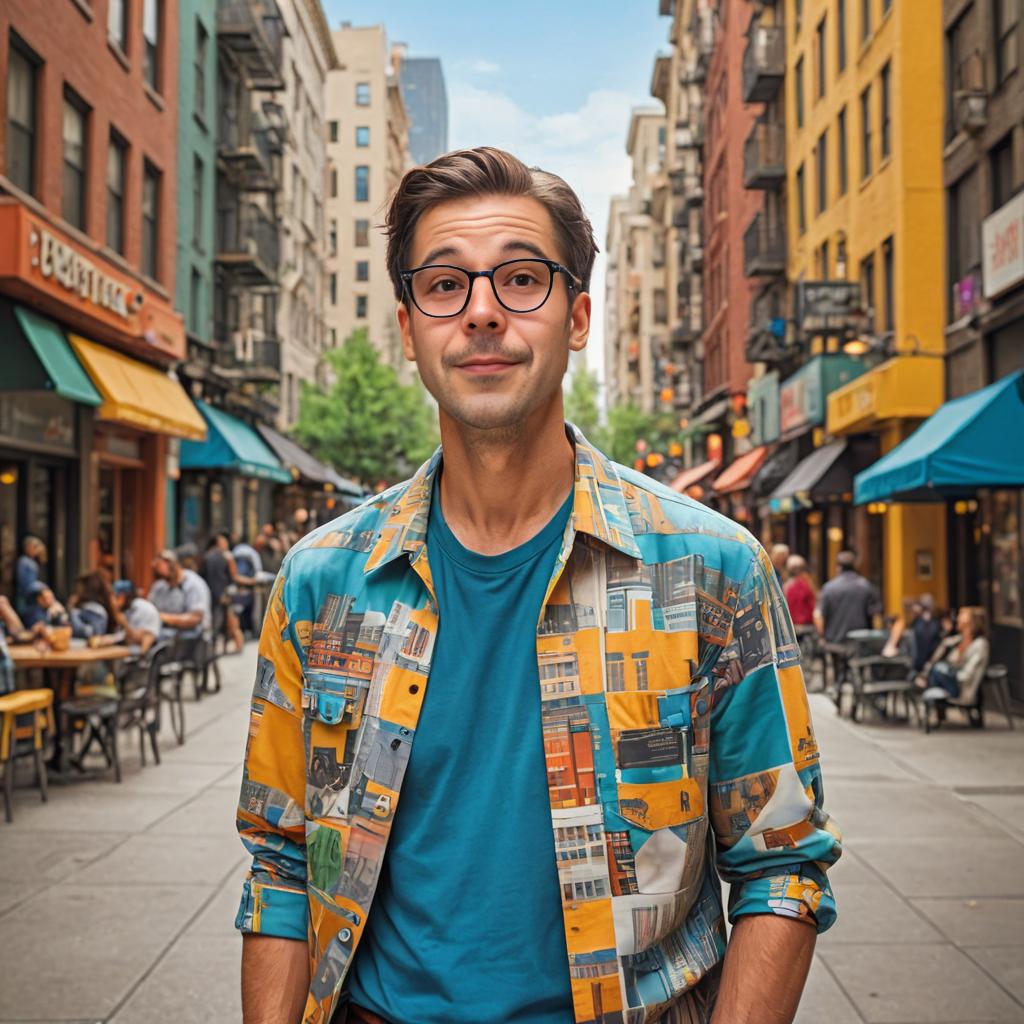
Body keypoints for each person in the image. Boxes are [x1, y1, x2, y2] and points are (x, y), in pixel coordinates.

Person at [236, 147, 841, 1024]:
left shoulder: (710, 568)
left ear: (579, 315)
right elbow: (283, 866)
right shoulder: (320, 582)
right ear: (407, 329)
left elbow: (781, 863)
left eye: (521, 279)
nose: (482, 313)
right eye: (444, 286)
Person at [917, 606, 990, 716]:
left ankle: (931, 702)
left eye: (962, 615)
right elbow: (945, 658)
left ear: (971, 621)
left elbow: (968, 673)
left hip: (960, 684)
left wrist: (951, 672)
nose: (957, 618)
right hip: (950, 679)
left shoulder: (980, 644)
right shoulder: (957, 640)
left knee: (938, 668)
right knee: (936, 668)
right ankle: (933, 701)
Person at [814, 549, 882, 645]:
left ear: (838, 567)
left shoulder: (828, 588)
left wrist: (822, 637)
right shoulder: (867, 586)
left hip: (834, 644)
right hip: (860, 644)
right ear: (855, 566)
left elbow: (818, 616)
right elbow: (876, 617)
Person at [201, 532, 255, 652]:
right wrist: (252, 581)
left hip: (209, 595)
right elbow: (235, 577)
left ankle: (213, 647)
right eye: (224, 542)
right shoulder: (227, 557)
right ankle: (236, 645)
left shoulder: (205, 557)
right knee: (230, 620)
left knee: (215, 622)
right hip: (224, 595)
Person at [148, 548, 211, 642]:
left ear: (174, 565)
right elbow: (150, 608)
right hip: (166, 635)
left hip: (192, 638)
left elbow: (195, 618)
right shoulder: (159, 586)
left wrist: (164, 617)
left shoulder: (193, 584)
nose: (163, 579)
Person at [111, 580, 162, 654]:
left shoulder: (142, 608)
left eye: (115, 597)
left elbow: (140, 645)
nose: (113, 602)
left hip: (144, 654)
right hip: (134, 648)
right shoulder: (130, 608)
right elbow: (122, 635)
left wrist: (124, 623)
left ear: (122, 596)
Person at [67, 571, 115, 640]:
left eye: (78, 589)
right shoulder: (88, 607)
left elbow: (93, 633)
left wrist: (72, 610)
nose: (76, 592)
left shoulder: (93, 608)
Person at [15, 536, 46, 617]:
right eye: (34, 547)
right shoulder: (23, 561)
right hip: (25, 597)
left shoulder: (33, 561)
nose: (36, 550)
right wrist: (41, 587)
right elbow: (24, 583)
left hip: (33, 597)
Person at [784, 554, 816, 627]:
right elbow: (812, 603)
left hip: (793, 625)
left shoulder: (787, 585)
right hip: (805, 624)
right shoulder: (806, 584)